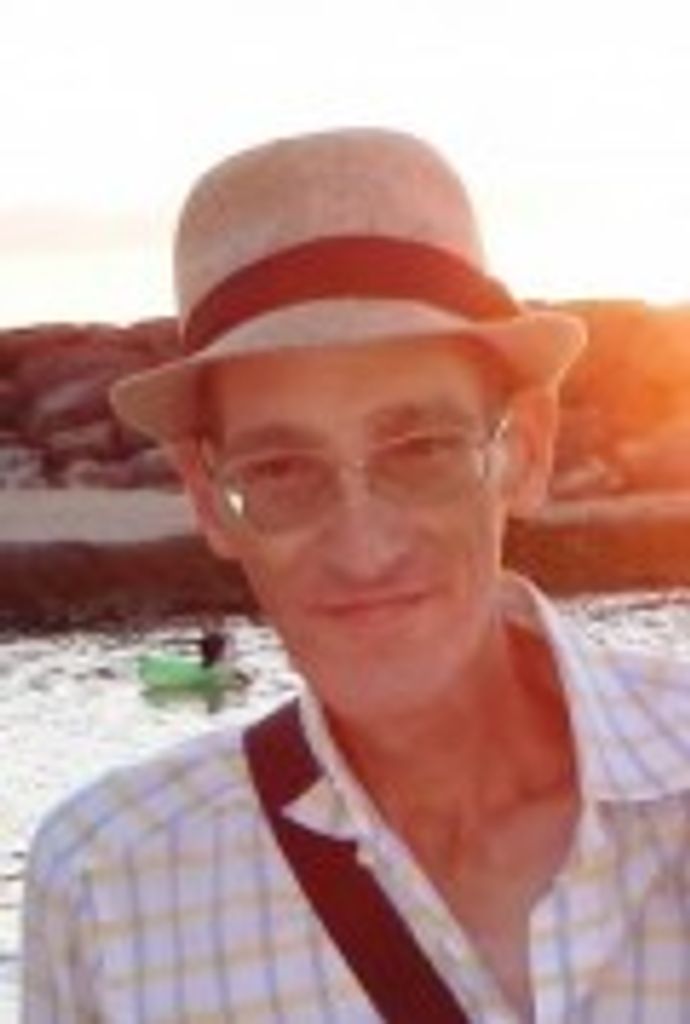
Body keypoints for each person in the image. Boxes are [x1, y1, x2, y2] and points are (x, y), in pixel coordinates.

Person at [21, 128, 690, 1024]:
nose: (363, 548)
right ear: (209, 499)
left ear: (526, 451)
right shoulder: (108, 890)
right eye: (281, 470)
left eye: (422, 450)